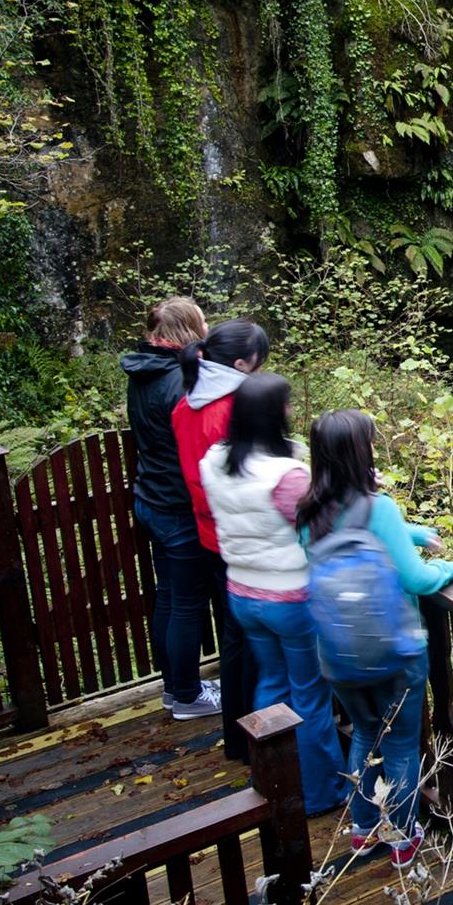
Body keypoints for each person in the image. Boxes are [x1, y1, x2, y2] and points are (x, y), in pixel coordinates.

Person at [297, 409, 453, 866]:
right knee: (400, 745)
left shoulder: (309, 511)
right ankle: (403, 838)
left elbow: (332, 542)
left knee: (365, 734)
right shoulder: (380, 507)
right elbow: (416, 579)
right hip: (395, 651)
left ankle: (363, 828)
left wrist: (407, 531)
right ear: (360, 452)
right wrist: (451, 568)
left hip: (337, 653)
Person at [199, 373, 346, 816]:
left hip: (243, 593)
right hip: (291, 598)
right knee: (310, 696)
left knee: (271, 683)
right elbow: (321, 528)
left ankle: (273, 779)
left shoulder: (215, 461)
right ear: (272, 415)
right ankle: (320, 793)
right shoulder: (285, 475)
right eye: (284, 405)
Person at [171, 319, 269, 760]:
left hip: (210, 532)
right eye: (257, 364)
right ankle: (256, 741)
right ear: (240, 363)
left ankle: (237, 737)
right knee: (249, 638)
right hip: (244, 535)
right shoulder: (232, 408)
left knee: (236, 636)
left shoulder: (185, 405)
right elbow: (257, 477)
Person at [122, 297, 219, 719]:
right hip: (178, 506)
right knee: (186, 604)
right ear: (187, 332)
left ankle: (175, 687)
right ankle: (186, 696)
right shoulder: (179, 380)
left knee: (169, 597)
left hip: (151, 497)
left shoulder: (144, 370)